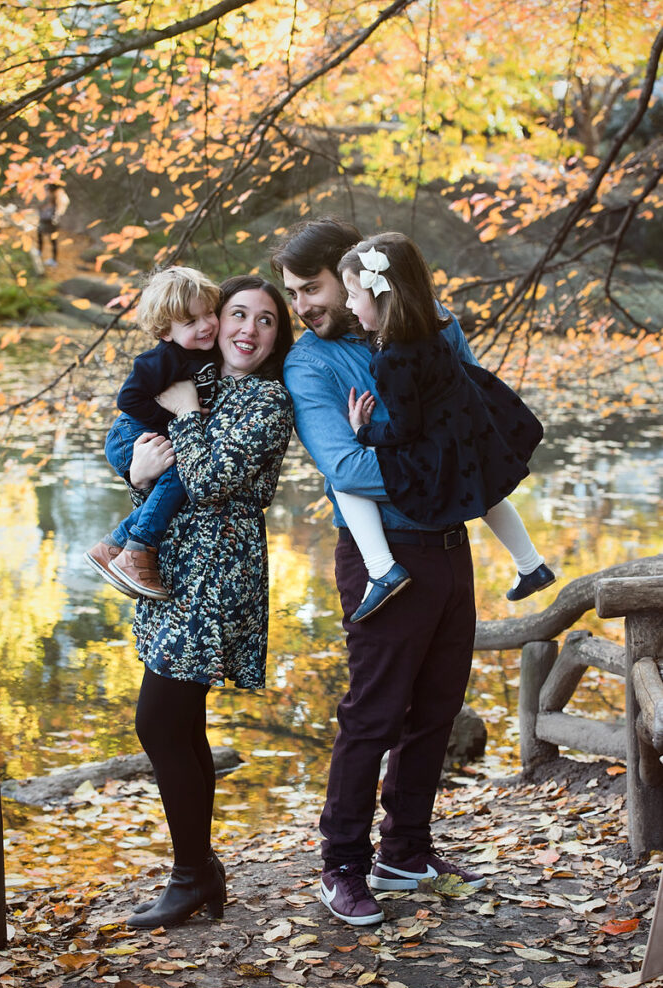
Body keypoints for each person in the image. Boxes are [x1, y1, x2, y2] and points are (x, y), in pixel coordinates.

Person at [271, 217, 484, 928]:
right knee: (374, 714)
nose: (302, 306)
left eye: (312, 288)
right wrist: (445, 470)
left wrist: (453, 466)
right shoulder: (312, 364)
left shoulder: (429, 328)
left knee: (438, 710)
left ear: (354, 271)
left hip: (454, 546)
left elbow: (475, 420)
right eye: (292, 294)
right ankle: (342, 863)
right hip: (382, 555)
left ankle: (406, 850)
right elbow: (348, 467)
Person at [119, 274, 294, 930]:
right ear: (214, 321)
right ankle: (199, 870)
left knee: (158, 721)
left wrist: (187, 418)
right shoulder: (198, 377)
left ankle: (193, 873)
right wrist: (136, 472)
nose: (248, 328)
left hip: (219, 572)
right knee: (179, 722)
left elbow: (209, 478)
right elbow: (150, 456)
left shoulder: (269, 401)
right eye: (237, 313)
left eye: (266, 320)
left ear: (277, 337)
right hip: (173, 565)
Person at [332, 232, 554, 622]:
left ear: (381, 294)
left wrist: (363, 431)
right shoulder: (430, 332)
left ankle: (382, 568)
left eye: (353, 295)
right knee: (485, 494)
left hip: (435, 453)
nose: (348, 306)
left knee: (343, 476)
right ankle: (531, 563)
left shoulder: (391, 360)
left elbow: (405, 429)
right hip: (466, 437)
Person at [84, 267, 222, 599]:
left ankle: (112, 547)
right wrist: (173, 413)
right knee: (181, 470)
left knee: (180, 481)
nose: (205, 325)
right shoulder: (160, 359)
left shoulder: (210, 348)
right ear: (165, 332)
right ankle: (138, 550)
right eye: (191, 322)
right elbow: (127, 399)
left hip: (152, 433)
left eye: (210, 313)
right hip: (130, 434)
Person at [37, 182, 69, 266]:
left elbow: (59, 210)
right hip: (46, 220)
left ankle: (53, 260)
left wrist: (54, 217)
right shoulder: (53, 197)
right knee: (40, 234)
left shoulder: (59, 196)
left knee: (52, 240)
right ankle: (40, 251)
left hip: (50, 222)